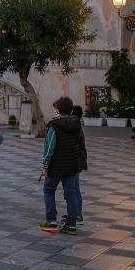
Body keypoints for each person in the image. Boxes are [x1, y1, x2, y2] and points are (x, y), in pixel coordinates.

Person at [39, 97, 81, 235]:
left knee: (48, 190)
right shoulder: (76, 124)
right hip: (72, 165)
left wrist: (45, 165)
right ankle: (71, 224)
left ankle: (51, 220)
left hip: (55, 166)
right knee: (71, 194)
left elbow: (49, 148)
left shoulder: (53, 126)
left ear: (57, 111)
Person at [63, 105, 87, 225]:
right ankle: (74, 213)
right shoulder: (76, 126)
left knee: (74, 188)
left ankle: (77, 214)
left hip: (76, 161)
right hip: (76, 161)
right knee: (72, 188)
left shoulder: (75, 128)